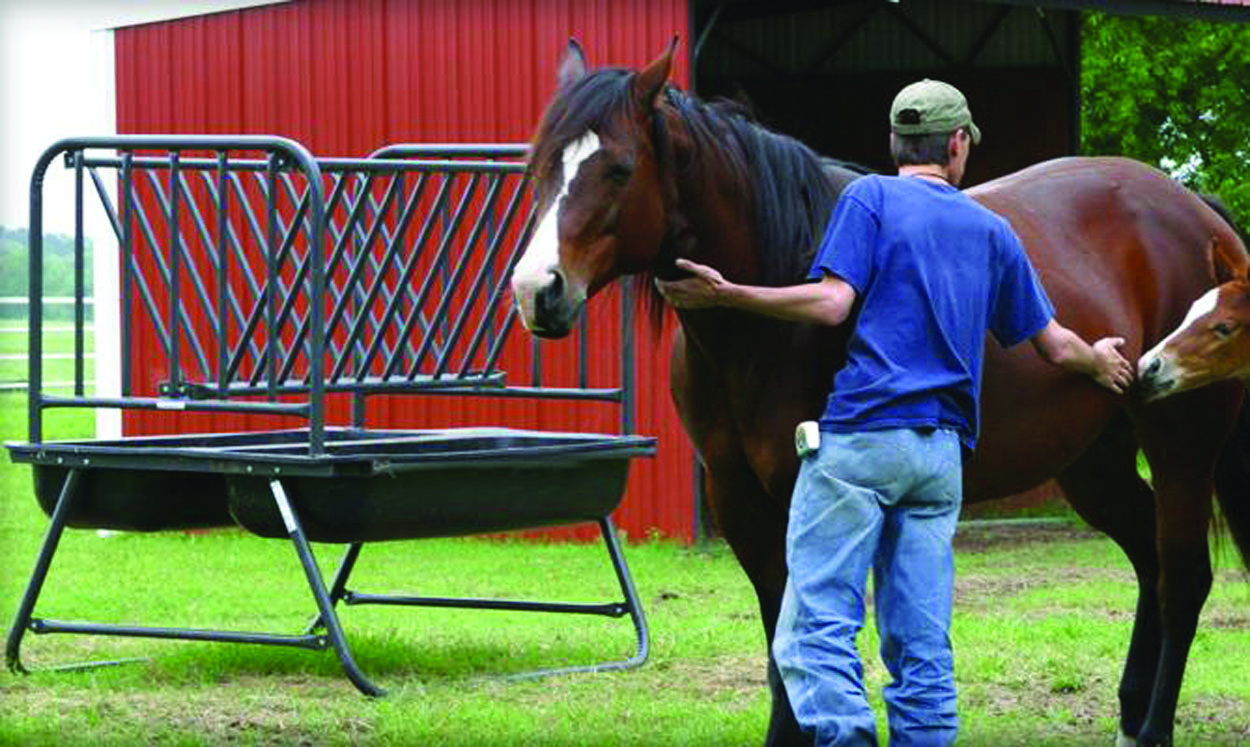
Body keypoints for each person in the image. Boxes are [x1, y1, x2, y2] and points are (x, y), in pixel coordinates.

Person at [655, 79, 1133, 746]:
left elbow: (830, 304)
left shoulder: (868, 198)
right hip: (939, 458)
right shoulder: (991, 228)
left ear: (893, 143)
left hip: (861, 445)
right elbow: (1052, 342)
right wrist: (1100, 360)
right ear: (958, 145)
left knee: (814, 627)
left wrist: (731, 293)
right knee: (920, 637)